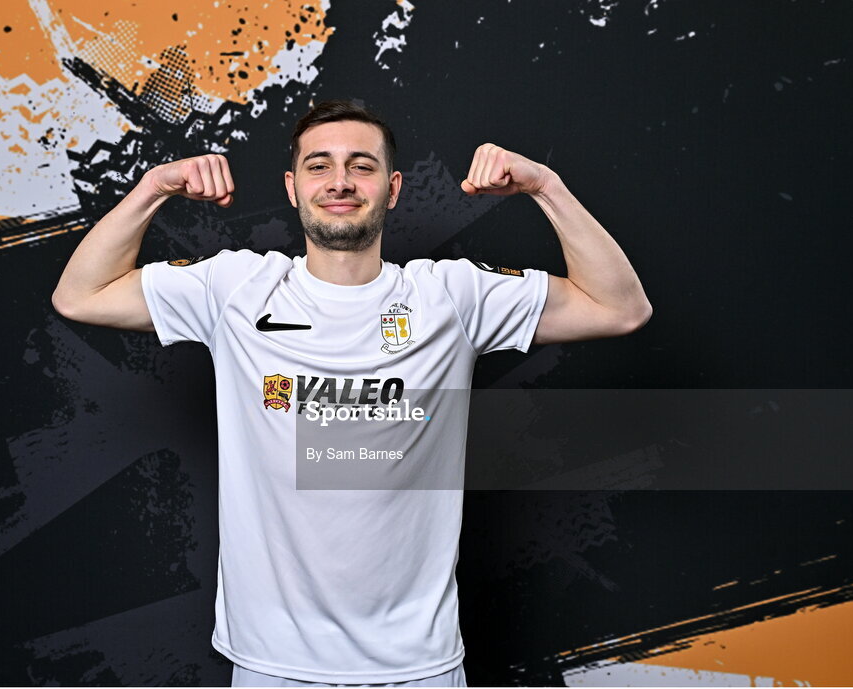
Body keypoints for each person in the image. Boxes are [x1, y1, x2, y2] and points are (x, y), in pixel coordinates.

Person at [52, 99, 651, 687]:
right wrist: (155, 187)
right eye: (319, 165)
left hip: (418, 666)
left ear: (392, 189)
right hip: (272, 664)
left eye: (361, 166)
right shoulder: (236, 288)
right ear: (292, 188)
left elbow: (620, 309)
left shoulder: (451, 297)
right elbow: (81, 295)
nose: (340, 182)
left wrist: (545, 187)